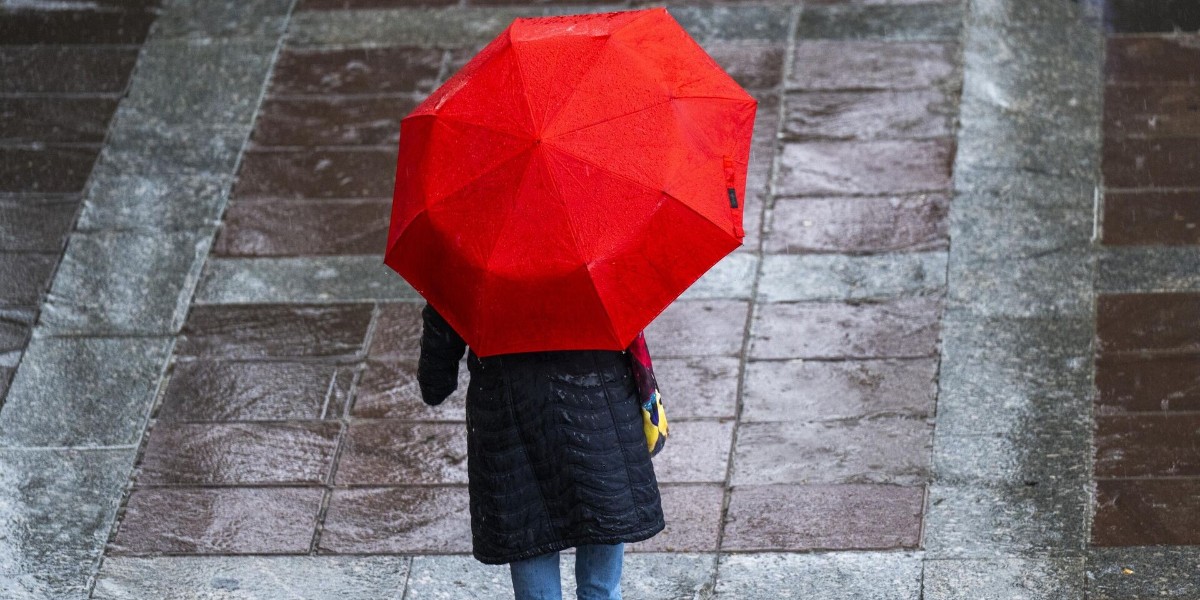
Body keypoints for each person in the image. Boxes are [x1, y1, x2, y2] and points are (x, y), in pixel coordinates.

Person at [416, 302, 665, 600]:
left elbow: (435, 383)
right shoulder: (600, 255)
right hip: (598, 413)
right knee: (602, 587)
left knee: (531, 544)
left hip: (512, 426)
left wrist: (436, 374)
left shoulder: (468, 262)